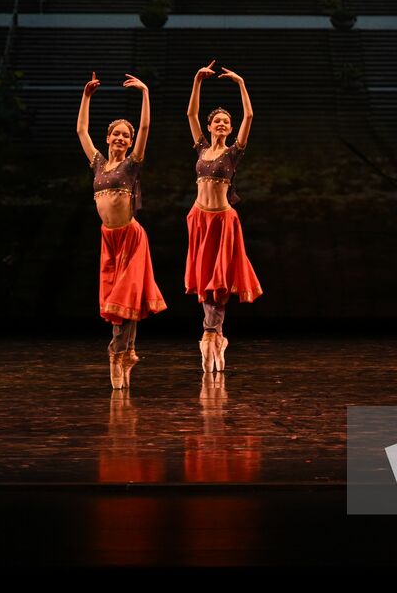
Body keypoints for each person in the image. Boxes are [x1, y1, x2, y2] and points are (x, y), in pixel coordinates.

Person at [77, 71, 166, 389]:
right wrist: (87, 97)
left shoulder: (131, 165)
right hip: (108, 238)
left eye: (124, 136)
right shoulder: (99, 164)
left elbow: (145, 127)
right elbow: (81, 131)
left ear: (129, 143)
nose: (120, 138)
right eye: (115, 134)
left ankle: (117, 352)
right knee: (115, 300)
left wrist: (145, 93)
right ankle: (126, 352)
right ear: (108, 137)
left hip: (130, 236)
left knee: (125, 296)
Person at [185, 60, 262, 373]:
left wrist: (241, 83)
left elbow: (250, 116)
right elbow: (190, 114)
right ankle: (215, 335)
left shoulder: (233, 153)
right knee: (206, 279)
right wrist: (197, 81)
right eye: (216, 121)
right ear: (209, 126)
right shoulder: (202, 148)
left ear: (229, 129)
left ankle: (211, 334)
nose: (220, 125)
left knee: (220, 280)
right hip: (199, 218)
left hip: (223, 220)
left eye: (224, 123)